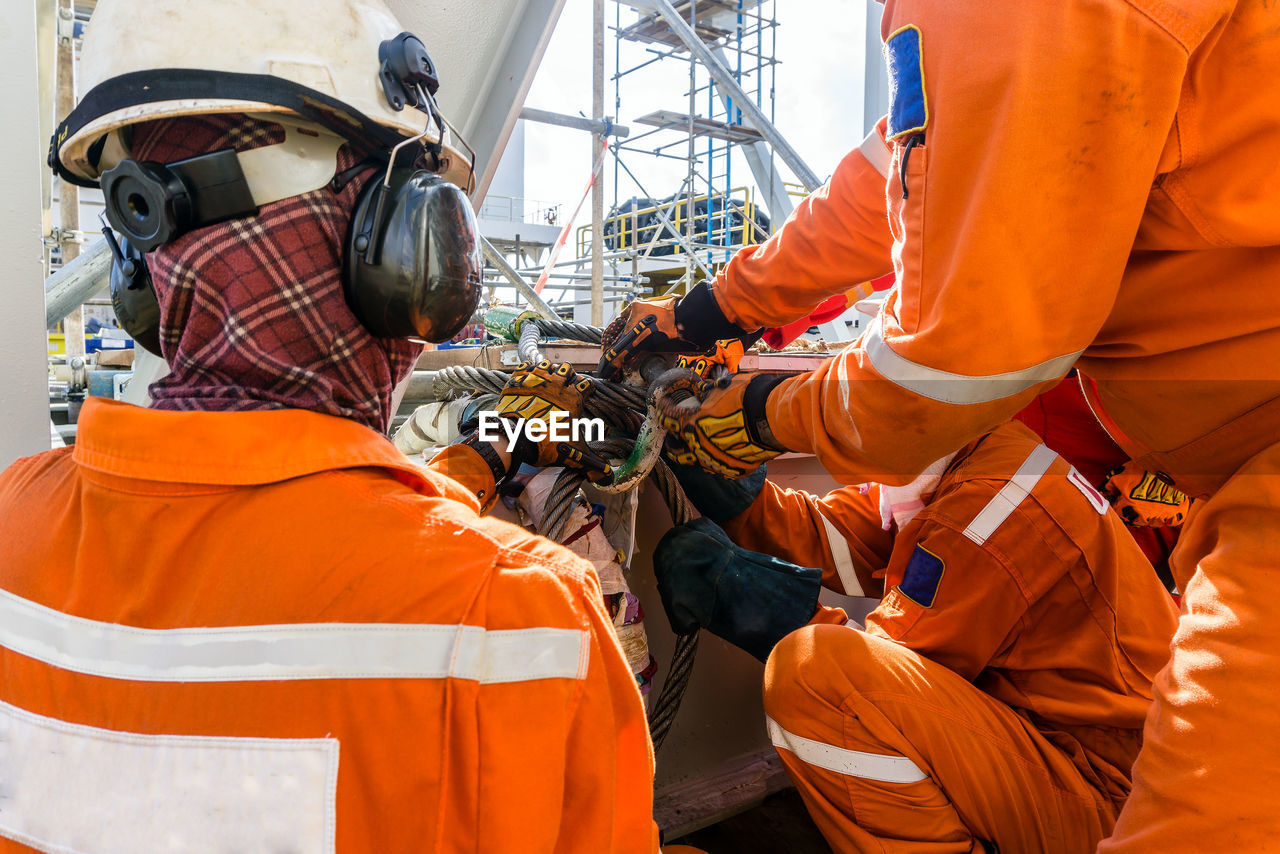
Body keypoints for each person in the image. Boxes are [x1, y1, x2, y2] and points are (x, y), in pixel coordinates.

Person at [601, 0, 1280, 845]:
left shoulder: (995, 501)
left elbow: (952, 363)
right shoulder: (950, 478)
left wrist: (768, 436)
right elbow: (893, 179)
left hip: (1092, 774)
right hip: (1239, 487)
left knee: (820, 681)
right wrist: (722, 329)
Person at [0, 2, 663, 851]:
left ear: (140, 270)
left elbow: (270, 537)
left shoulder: (15, 525)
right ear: (393, 248)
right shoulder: (519, 621)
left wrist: (479, 457)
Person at [654, 419, 1179, 852]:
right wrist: (739, 496)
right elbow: (842, 538)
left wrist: (769, 613)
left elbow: (873, 691)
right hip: (1066, 752)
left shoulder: (988, 510)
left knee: (814, 675)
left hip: (1114, 805)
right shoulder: (967, 452)